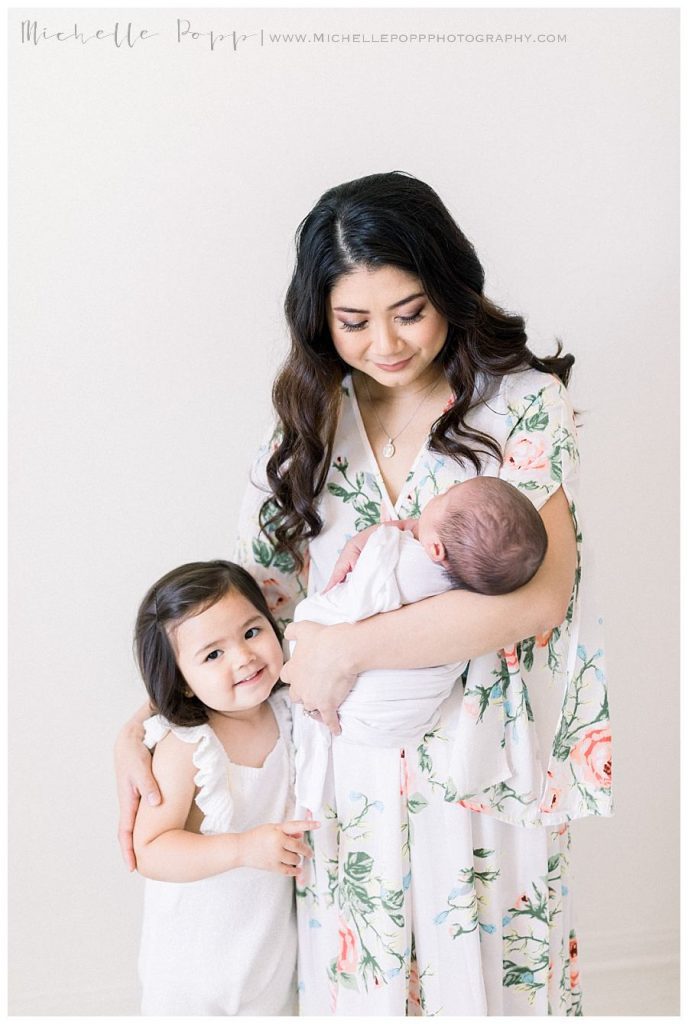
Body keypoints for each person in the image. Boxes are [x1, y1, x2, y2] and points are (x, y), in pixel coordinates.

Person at [115, 171, 611, 1016]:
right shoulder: (309, 425)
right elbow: (257, 614)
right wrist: (151, 716)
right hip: (344, 773)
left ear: (451, 287)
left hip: (480, 760)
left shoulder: (521, 404)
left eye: (409, 310)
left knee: (488, 989)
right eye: (354, 321)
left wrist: (350, 649)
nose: (385, 342)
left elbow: (539, 598)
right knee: (365, 990)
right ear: (320, 318)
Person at [293, 476, 549, 816]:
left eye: (440, 497)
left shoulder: (409, 562)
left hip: (359, 716)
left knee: (307, 614)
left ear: (435, 550)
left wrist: (387, 537)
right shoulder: (465, 591)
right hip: (408, 726)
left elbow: (363, 596)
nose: (433, 498)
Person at [131, 560, 317, 1015]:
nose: (243, 657)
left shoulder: (291, 712)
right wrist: (240, 849)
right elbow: (150, 849)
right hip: (192, 971)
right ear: (184, 683)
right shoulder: (189, 745)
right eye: (213, 655)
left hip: (267, 961)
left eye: (252, 632)